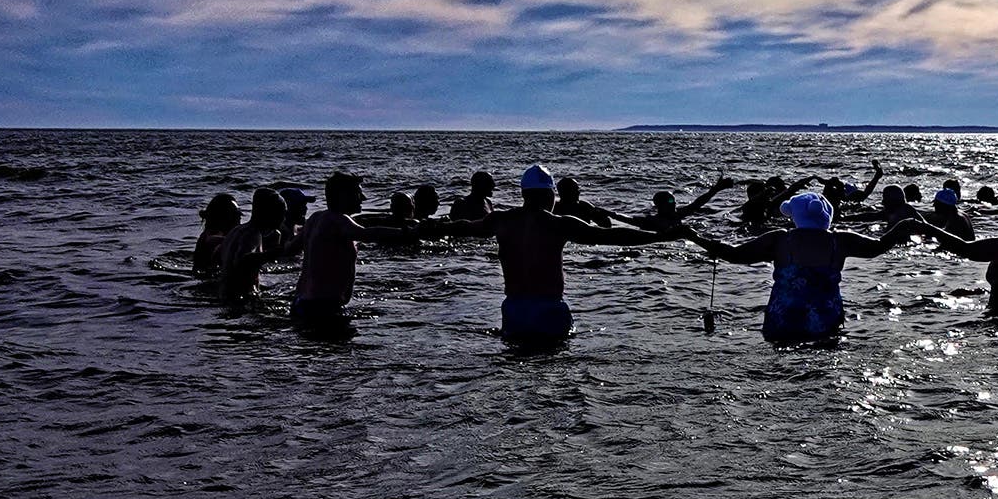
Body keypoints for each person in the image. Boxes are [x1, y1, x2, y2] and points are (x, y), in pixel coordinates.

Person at [429, 165, 677, 344]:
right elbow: (612, 237)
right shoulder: (559, 223)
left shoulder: (500, 220)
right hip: (549, 311)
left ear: (524, 194)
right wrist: (662, 237)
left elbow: (458, 226)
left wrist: (422, 228)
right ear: (550, 195)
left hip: (513, 312)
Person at [687, 191, 929, 341]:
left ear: (796, 217)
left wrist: (694, 236)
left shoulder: (781, 239)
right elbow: (879, 246)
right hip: (825, 320)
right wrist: (903, 226)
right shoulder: (840, 240)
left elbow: (733, 254)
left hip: (783, 322)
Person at [288, 172, 416, 333]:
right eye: (358, 193)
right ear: (343, 196)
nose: (363, 198)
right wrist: (407, 232)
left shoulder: (315, 219)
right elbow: (368, 234)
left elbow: (289, 249)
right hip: (322, 308)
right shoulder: (339, 219)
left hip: (300, 303)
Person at [218, 188, 287, 307]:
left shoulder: (236, 230)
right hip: (240, 297)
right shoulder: (253, 234)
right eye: (282, 213)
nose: (284, 219)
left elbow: (217, 255)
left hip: (223, 293)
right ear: (271, 213)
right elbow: (242, 260)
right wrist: (273, 254)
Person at [193, 194, 239, 279]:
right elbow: (210, 240)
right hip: (207, 275)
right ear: (222, 217)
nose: (239, 219)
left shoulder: (224, 234)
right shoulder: (211, 234)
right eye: (235, 215)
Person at [555, 176, 623, 226]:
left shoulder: (584, 206)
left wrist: (600, 212)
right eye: (575, 190)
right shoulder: (555, 208)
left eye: (578, 189)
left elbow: (606, 223)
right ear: (565, 192)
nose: (578, 192)